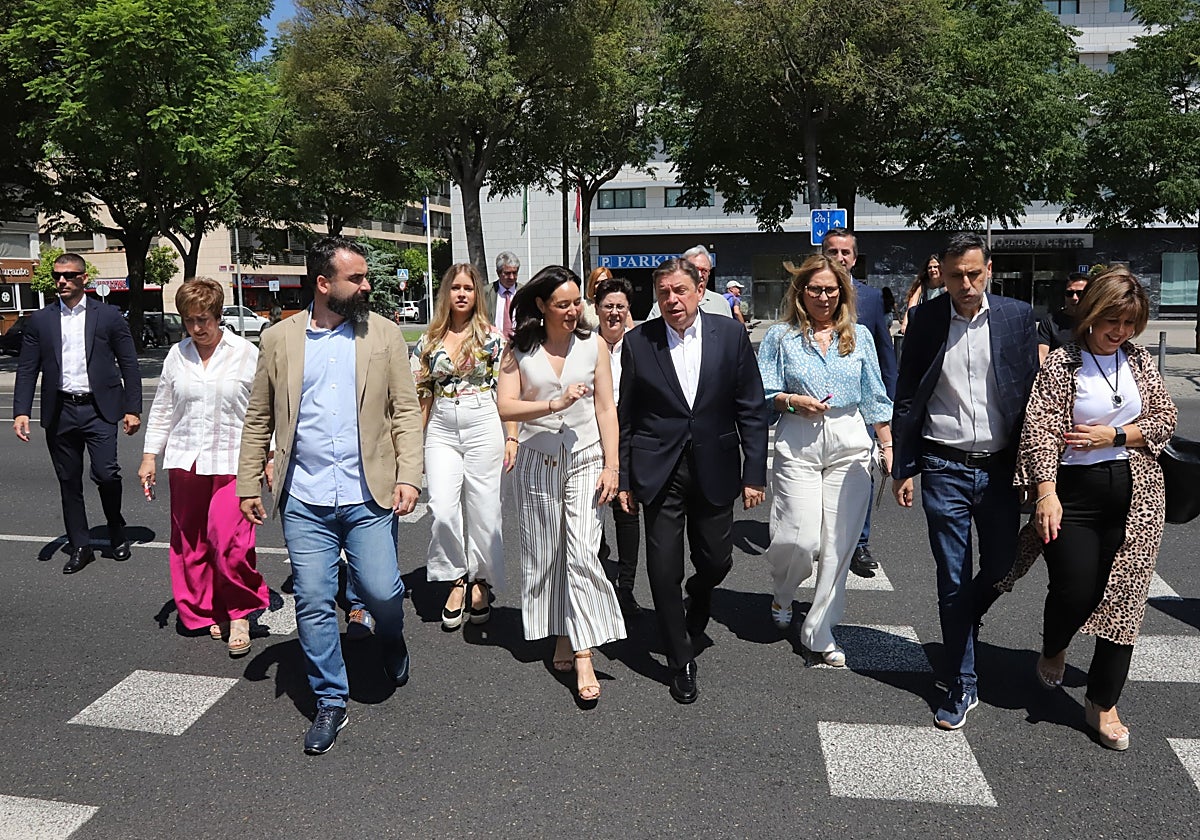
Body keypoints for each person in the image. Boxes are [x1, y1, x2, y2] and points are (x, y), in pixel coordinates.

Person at [237, 236, 423, 755]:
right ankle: (331, 701)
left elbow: (405, 411)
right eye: (356, 279)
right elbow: (260, 417)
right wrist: (248, 481)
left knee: (384, 591)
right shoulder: (278, 340)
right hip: (305, 497)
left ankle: (390, 635)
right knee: (314, 599)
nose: (367, 285)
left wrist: (410, 475)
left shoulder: (383, 334)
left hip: (367, 494)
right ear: (323, 284)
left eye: (365, 277)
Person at [1000, 268, 1176, 750]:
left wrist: (1115, 434)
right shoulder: (1063, 363)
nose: (1118, 331)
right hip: (1073, 492)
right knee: (1075, 590)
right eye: (1111, 320)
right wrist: (1045, 493)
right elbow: (1038, 429)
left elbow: (1164, 418)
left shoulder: (1138, 360)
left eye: (1128, 322)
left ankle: (1103, 703)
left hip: (1137, 494)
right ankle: (1055, 646)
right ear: (1091, 314)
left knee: (1125, 601)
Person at [891, 232, 1038, 730]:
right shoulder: (928, 320)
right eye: (956, 276)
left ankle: (963, 622)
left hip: (1000, 468)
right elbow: (908, 394)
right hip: (944, 465)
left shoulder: (1018, 317)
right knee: (952, 575)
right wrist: (903, 467)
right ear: (943, 275)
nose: (966, 284)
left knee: (999, 565)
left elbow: (1038, 389)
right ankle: (962, 680)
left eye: (974, 273)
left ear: (989, 269)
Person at [618, 258, 768, 704]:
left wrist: (753, 474)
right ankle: (680, 659)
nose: (672, 300)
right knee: (662, 570)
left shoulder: (731, 337)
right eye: (663, 292)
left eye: (680, 290)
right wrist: (623, 478)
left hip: (716, 466)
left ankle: (699, 596)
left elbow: (752, 409)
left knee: (717, 561)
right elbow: (626, 418)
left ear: (700, 290)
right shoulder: (637, 343)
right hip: (659, 470)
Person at [496, 265, 625, 704]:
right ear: (541, 306)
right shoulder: (519, 350)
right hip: (538, 461)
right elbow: (505, 405)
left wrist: (613, 466)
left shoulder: (594, 347)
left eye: (576, 303)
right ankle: (564, 632)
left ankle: (585, 649)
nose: (573, 312)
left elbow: (607, 409)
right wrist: (553, 403)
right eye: (563, 304)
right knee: (549, 552)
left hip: (586, 457)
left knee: (583, 549)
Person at [759, 256, 893, 665]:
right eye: (815, 289)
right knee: (798, 537)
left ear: (843, 293)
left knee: (838, 543)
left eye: (831, 290)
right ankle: (783, 593)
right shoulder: (780, 337)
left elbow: (874, 393)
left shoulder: (861, 336)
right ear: (801, 292)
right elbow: (762, 390)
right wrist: (790, 401)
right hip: (798, 436)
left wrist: (887, 445)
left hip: (849, 436)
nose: (823, 296)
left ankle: (819, 631)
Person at [138, 278, 268, 657]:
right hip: (186, 460)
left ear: (218, 315)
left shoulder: (246, 352)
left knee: (229, 540)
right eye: (190, 321)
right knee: (190, 542)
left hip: (234, 462)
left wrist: (271, 456)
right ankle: (204, 609)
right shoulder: (177, 355)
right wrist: (150, 456)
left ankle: (241, 611)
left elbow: (264, 409)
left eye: (204, 319)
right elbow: (164, 408)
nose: (197, 328)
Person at [13, 252, 142, 574]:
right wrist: (21, 411)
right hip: (60, 411)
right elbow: (27, 368)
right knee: (68, 481)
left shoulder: (109, 316)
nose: (62, 281)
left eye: (69, 276)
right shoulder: (40, 320)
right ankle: (80, 545)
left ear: (84, 278)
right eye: (58, 276)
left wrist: (132, 408)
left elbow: (128, 362)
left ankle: (115, 527)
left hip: (99, 409)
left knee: (106, 473)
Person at [410, 263, 515, 630]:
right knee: (440, 507)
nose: (461, 294)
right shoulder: (429, 340)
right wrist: (413, 445)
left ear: (477, 294)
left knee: (486, 509)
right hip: (441, 425)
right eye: (455, 287)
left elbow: (508, 392)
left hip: (483, 421)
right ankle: (455, 576)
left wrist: (512, 435)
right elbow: (422, 394)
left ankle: (481, 580)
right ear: (446, 293)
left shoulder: (493, 338)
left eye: (468, 288)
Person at [822, 228, 897, 577]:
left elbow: (885, 351)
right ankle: (823, 537)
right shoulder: (807, 291)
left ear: (854, 257)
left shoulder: (868, 298)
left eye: (845, 253)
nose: (839, 258)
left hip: (861, 401)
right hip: (818, 402)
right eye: (832, 251)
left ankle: (859, 542)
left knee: (862, 471)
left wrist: (890, 402)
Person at [593, 276, 642, 618]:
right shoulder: (582, 346)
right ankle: (594, 577)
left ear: (628, 311)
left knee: (627, 513)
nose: (614, 313)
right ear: (596, 310)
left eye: (620, 307)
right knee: (590, 516)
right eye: (608, 306)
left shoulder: (640, 347)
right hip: (589, 441)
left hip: (630, 442)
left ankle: (625, 587)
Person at [645, 245, 733, 319]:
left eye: (704, 271)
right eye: (695, 270)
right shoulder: (664, 305)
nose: (699, 274)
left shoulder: (720, 303)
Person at [1037, 272, 1090, 364]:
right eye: (1069, 293)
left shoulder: (1098, 322)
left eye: (1080, 293)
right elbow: (1042, 357)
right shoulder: (1050, 322)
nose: (1074, 298)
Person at [899, 254, 945, 335]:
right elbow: (911, 305)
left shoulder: (947, 284)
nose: (932, 270)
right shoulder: (922, 285)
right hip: (926, 322)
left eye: (936, 266)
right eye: (929, 267)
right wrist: (905, 323)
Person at [483, 251, 522, 339]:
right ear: (498, 273)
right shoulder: (486, 293)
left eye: (514, 273)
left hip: (518, 344)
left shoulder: (524, 292)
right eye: (507, 273)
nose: (512, 277)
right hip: (494, 344)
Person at [578, 266, 611, 332]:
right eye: (597, 282)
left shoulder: (620, 305)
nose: (600, 285)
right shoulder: (584, 306)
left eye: (604, 281)